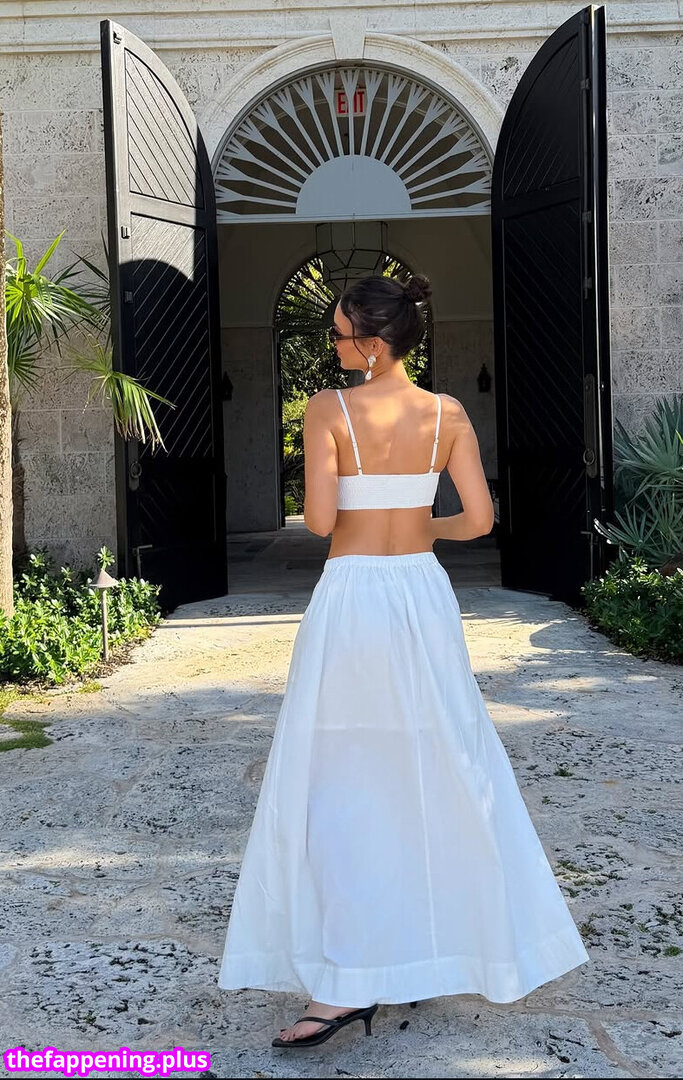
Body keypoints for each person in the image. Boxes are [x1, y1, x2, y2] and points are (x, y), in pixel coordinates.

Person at [217, 272, 590, 1049]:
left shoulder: (328, 409)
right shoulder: (446, 412)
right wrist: (420, 524)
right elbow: (478, 520)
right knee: (443, 763)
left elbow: (319, 519)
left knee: (340, 775)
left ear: (372, 343)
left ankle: (346, 981)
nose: (332, 345)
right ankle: (422, 951)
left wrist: (365, 502)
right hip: (421, 595)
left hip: (353, 597)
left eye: (338, 334)